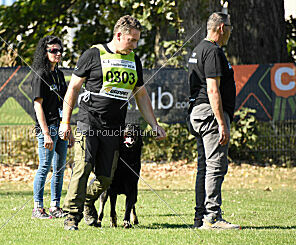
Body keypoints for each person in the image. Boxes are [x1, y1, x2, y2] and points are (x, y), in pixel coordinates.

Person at [59, 15, 166, 230]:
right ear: (118, 35)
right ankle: (72, 215)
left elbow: (141, 95)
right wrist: (65, 122)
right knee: (83, 167)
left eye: (137, 41)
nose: (135, 45)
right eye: (131, 40)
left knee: (106, 179)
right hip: (89, 121)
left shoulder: (134, 60)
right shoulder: (93, 54)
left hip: (115, 128)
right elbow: (73, 88)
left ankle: (88, 201)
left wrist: (154, 124)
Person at [187, 12, 240, 229]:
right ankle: (212, 217)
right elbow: (212, 89)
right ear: (221, 28)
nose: (230, 32)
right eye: (230, 27)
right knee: (216, 166)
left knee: (205, 166)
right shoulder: (212, 51)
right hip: (209, 113)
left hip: (199, 112)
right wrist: (221, 122)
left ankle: (201, 217)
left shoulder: (199, 48)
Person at [31, 35, 74, 219]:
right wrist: (46, 133)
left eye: (59, 50)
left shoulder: (59, 74)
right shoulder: (41, 74)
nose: (57, 53)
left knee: (59, 168)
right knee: (44, 166)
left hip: (60, 126)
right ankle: (37, 208)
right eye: (53, 50)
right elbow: (37, 105)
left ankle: (55, 206)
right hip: (47, 128)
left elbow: (65, 102)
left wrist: (68, 127)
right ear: (45, 52)